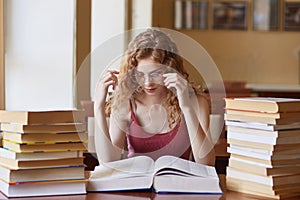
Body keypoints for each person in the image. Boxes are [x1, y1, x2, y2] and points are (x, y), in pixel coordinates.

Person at [94, 28, 215, 166]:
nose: (147, 83)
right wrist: (98, 107)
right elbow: (108, 162)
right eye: (140, 74)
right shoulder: (126, 103)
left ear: (170, 69)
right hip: (136, 183)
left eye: (156, 74)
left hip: (179, 184)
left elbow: (207, 163)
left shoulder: (197, 103)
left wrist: (186, 107)